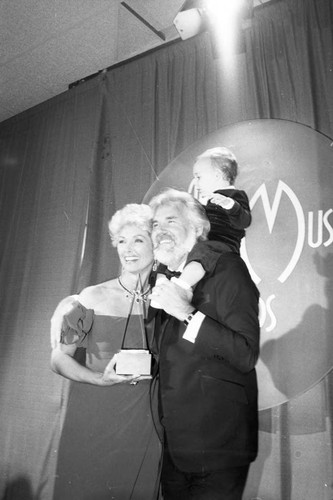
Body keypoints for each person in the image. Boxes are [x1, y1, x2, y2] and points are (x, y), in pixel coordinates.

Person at [148, 188, 260, 500]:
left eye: (171, 221)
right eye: (155, 224)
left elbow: (245, 354)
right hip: (177, 447)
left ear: (198, 228)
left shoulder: (228, 270)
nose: (160, 231)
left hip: (219, 448)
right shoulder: (166, 279)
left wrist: (185, 312)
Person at [50, 204, 162, 500]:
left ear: (155, 243)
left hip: (146, 423)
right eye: (122, 241)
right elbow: (59, 357)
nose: (128, 249)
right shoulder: (92, 297)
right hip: (96, 419)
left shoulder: (168, 299)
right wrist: (100, 378)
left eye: (138, 239)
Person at [173, 146, 252, 295]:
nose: (196, 183)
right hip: (206, 247)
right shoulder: (207, 203)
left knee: (202, 251)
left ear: (217, 175)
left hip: (222, 247)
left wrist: (229, 204)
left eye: (198, 177)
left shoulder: (235, 195)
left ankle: (181, 285)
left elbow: (244, 221)